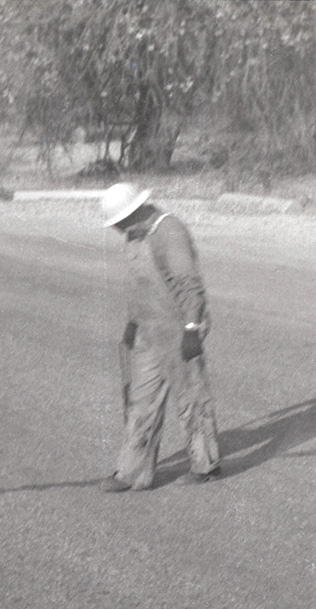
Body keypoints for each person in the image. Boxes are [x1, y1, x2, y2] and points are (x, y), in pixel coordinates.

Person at [97, 182, 222, 492]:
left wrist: (192, 330)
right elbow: (139, 284)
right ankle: (132, 472)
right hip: (148, 328)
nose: (118, 229)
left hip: (180, 329)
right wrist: (132, 322)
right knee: (141, 402)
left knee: (190, 398)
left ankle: (206, 465)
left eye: (121, 222)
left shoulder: (169, 232)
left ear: (137, 211)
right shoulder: (135, 235)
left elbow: (188, 285)